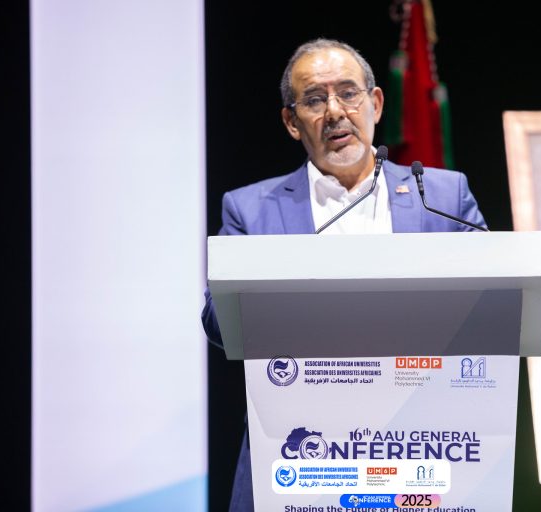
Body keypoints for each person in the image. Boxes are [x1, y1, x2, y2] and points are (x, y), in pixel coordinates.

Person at [201, 38, 486, 511]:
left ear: (375, 103)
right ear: (292, 122)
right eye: (315, 100)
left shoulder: (440, 196)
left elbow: (495, 298)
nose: (335, 111)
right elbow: (217, 322)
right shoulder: (251, 210)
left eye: (348, 93)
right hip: (296, 464)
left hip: (421, 453)